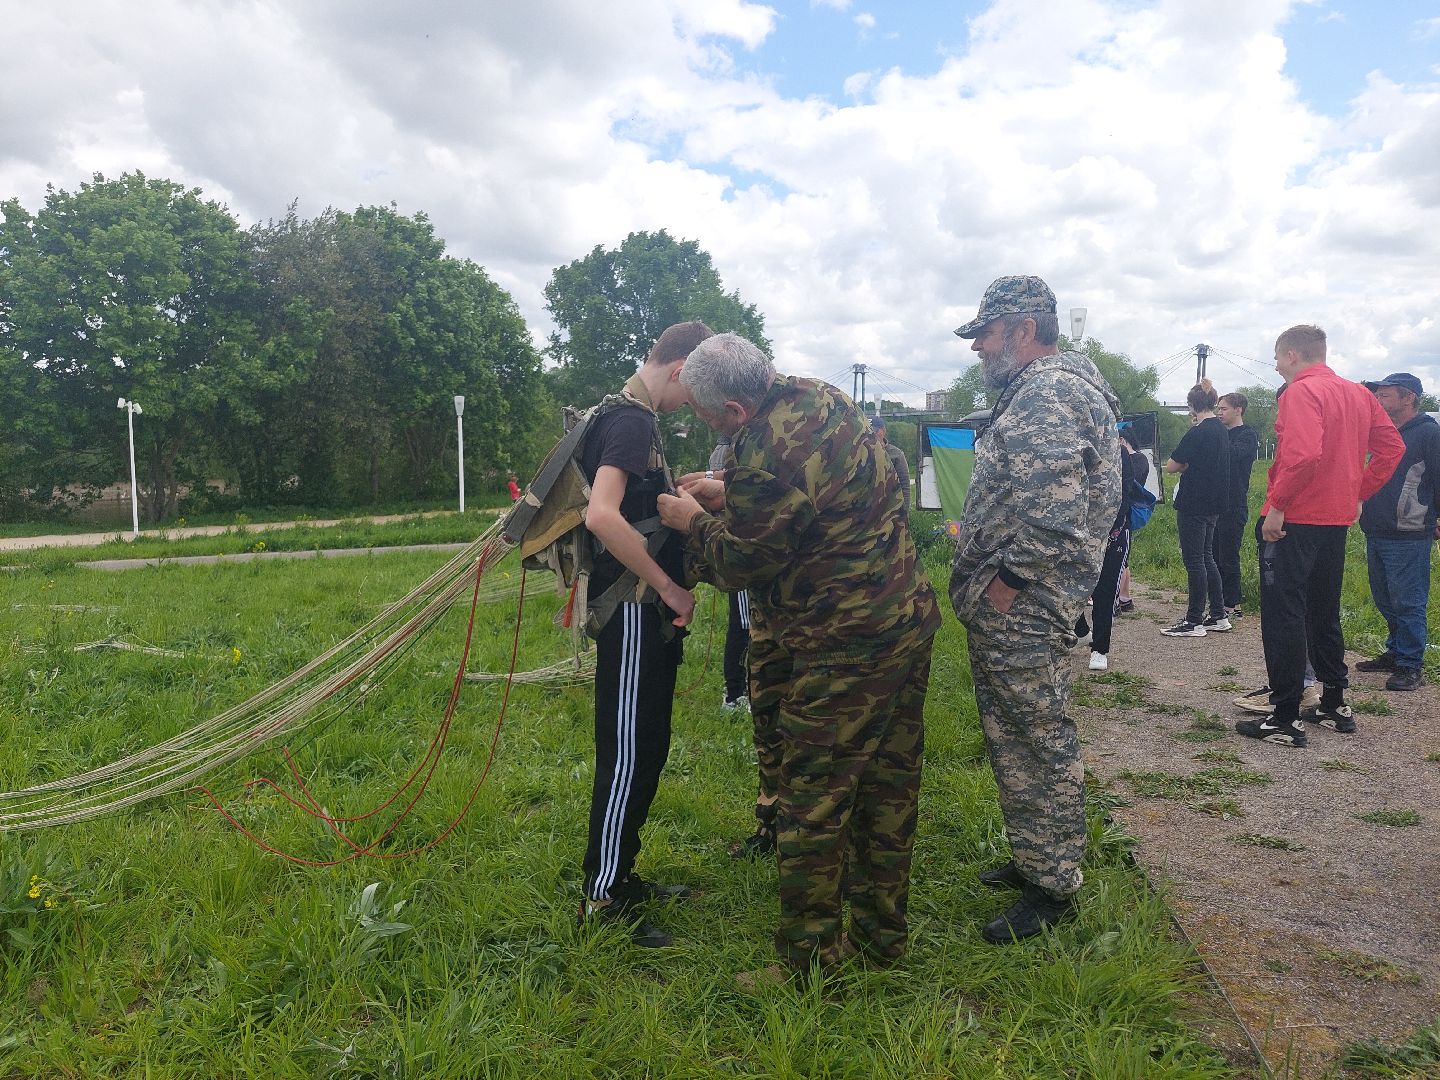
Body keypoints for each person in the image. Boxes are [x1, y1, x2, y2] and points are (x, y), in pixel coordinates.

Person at [657, 332, 939, 981]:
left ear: (732, 411)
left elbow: (741, 561)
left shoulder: (759, 450)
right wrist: (728, 487)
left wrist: (688, 519)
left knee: (812, 798)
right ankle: (880, 936)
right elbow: (805, 491)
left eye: (707, 419)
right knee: (889, 787)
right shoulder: (821, 396)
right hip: (905, 617)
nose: (711, 429)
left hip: (844, 642)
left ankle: (810, 964)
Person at [949, 276, 1121, 942]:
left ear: (1022, 328)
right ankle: (1035, 859)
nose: (978, 349)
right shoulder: (1053, 388)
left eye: (985, 334)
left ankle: (1052, 888)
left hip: (1025, 605)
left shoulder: (1046, 393)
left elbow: (1053, 517)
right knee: (1015, 738)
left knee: (1038, 739)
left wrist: (1005, 586)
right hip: (1029, 603)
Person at [577, 320, 711, 947]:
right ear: (682, 368)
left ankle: (621, 873)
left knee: (649, 742)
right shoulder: (630, 421)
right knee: (630, 750)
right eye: (696, 388)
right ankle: (602, 894)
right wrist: (666, 584)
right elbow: (601, 514)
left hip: (642, 615)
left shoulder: (636, 420)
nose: (697, 403)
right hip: (631, 610)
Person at [1235, 325, 1403, 748]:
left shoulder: (1300, 392)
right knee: (1322, 609)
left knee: (1284, 614)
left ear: (1292, 355)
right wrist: (1358, 492)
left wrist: (1278, 505)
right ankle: (1333, 701)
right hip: (1335, 519)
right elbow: (1391, 450)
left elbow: (1304, 454)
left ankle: (1286, 716)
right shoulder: (1359, 394)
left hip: (1295, 519)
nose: (1276, 366)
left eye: (1276, 358)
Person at [1355, 373, 1440, 692]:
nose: (1378, 399)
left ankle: (1410, 664)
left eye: (1385, 395)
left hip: (1409, 530)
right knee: (1385, 597)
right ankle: (1396, 651)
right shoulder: (1385, 432)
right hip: (1377, 526)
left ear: (1408, 398)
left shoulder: (1429, 433)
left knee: (1408, 599)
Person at [1161, 379, 1231, 637]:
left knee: (1194, 561)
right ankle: (1218, 615)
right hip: (1215, 503)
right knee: (1207, 557)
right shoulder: (1221, 430)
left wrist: (1186, 465)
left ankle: (1194, 620)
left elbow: (1171, 465)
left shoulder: (1198, 432)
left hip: (1194, 502)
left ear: (1191, 405)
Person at [1079, 436, 1149, 671]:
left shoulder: (1119, 454)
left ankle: (1100, 649)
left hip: (1114, 532)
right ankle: (1080, 630)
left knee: (1106, 589)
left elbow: (1124, 493)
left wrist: (1110, 531)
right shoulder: (1073, 449)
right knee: (1073, 585)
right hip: (1078, 532)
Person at [707, 435, 752, 711]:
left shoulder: (726, 449)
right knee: (744, 624)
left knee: (743, 623)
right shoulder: (731, 450)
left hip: (741, 545)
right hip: (740, 548)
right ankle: (735, 693)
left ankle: (741, 689)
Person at [1215, 392, 1259, 617]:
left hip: (1234, 504)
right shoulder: (1219, 433)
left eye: (1223, 408)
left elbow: (1232, 455)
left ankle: (1232, 603)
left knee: (1228, 555)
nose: (1219, 413)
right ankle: (1216, 600)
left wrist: (1213, 438)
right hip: (1214, 503)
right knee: (1213, 554)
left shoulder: (1248, 435)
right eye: (1218, 409)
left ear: (1238, 409)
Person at [871, 416, 911, 518]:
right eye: (868, 432)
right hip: (867, 514)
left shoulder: (896, 455)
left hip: (891, 512)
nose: (872, 435)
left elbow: (905, 486)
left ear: (883, 431)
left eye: (875, 431)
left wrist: (904, 514)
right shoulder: (861, 454)